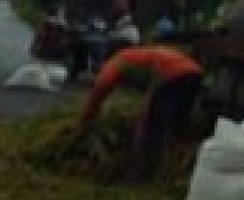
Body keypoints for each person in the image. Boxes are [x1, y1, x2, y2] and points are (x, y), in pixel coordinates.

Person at [76, 45, 204, 181]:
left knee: (155, 126)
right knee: (176, 122)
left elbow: (99, 90)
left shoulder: (115, 62)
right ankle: (175, 165)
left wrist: (86, 121)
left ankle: (147, 170)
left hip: (172, 76)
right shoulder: (136, 56)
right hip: (194, 73)